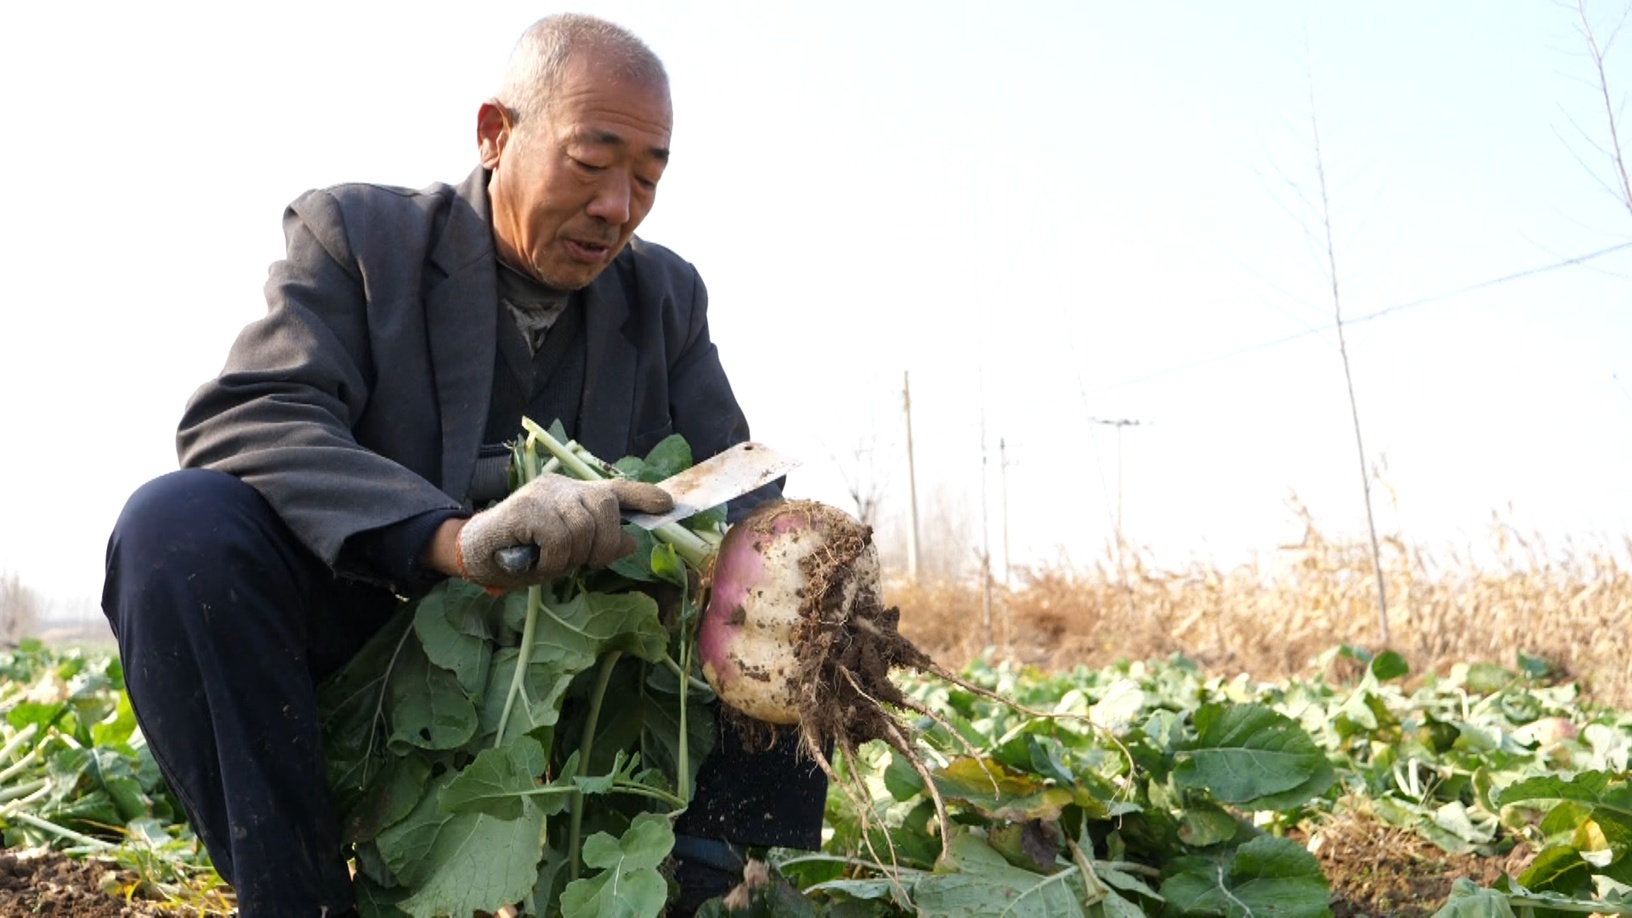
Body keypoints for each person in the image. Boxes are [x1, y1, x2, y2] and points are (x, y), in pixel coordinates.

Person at [100, 14, 826, 916]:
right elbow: (251, 414)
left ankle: (703, 885)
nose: (619, 206)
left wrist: (783, 553)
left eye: (647, 175)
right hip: (377, 638)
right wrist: (454, 538)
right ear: (495, 134)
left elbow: (735, 481)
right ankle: (303, 897)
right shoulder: (359, 240)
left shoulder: (665, 294)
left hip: (576, 679)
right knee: (175, 530)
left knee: (796, 588)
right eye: (592, 163)